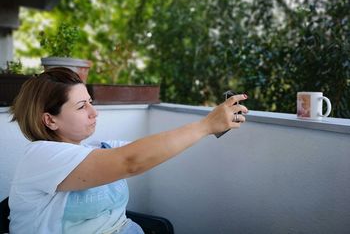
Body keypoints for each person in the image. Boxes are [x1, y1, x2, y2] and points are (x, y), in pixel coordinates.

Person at [8, 67, 248, 234]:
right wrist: (206, 125)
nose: (94, 113)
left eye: (91, 102)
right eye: (82, 106)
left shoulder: (98, 149)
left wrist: (213, 123)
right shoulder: (40, 156)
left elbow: (149, 150)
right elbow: (131, 161)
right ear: (50, 121)